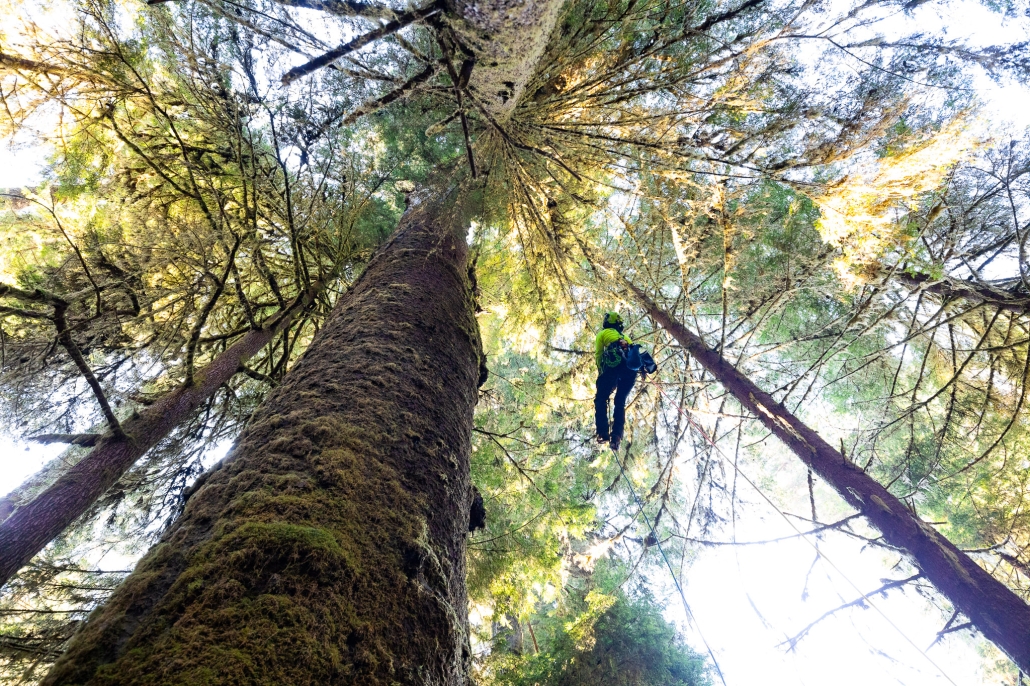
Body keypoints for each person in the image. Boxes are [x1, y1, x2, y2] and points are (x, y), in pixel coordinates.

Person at [594, 311, 636, 451]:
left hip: (613, 367)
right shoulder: (626, 338)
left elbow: (599, 356)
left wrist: (602, 376)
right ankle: (617, 436)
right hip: (630, 371)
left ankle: (603, 432)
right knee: (620, 401)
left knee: (601, 398)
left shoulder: (602, 334)